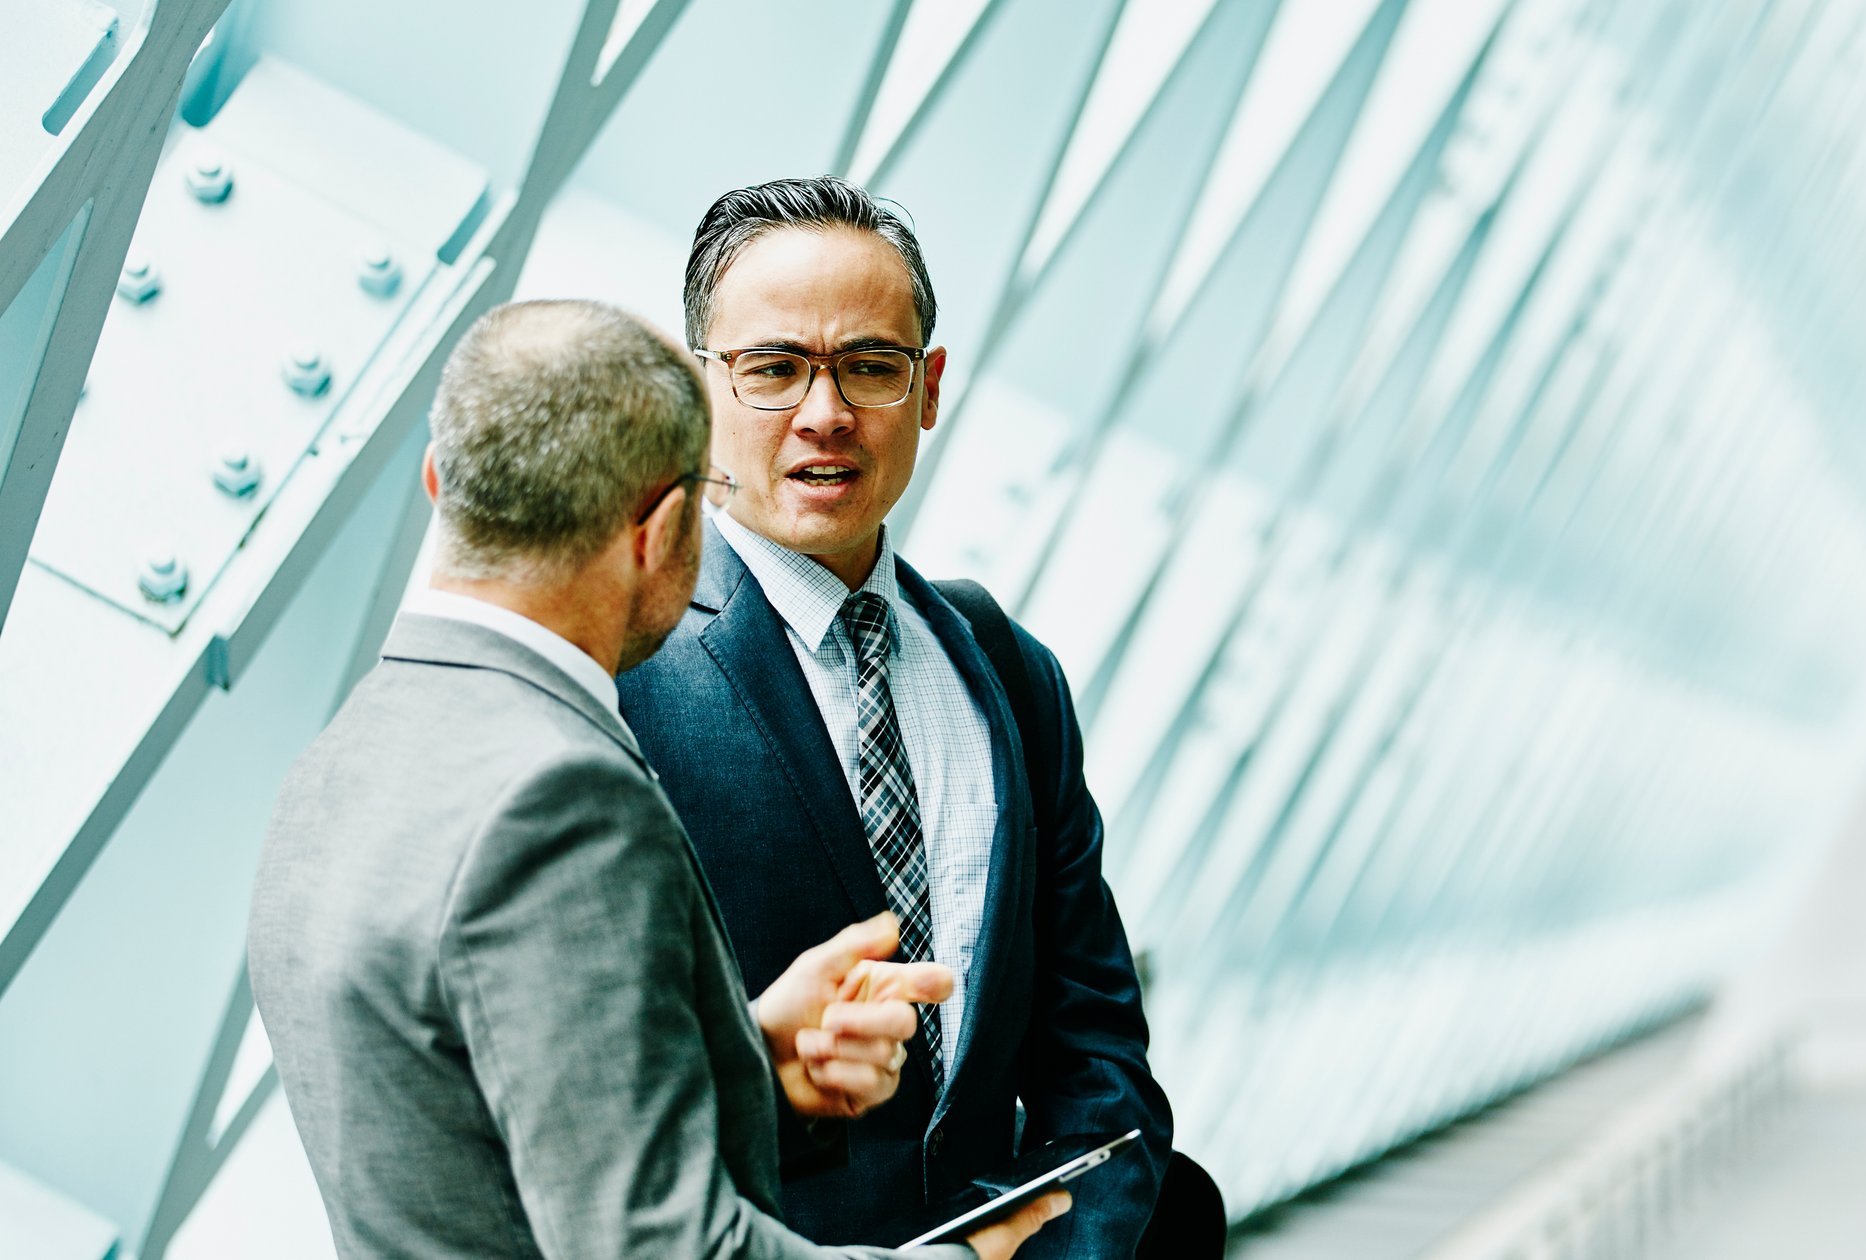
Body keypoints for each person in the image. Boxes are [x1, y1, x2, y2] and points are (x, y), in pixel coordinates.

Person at [246, 299, 1065, 1259]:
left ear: (440, 485)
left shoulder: (346, 753)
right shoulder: (560, 797)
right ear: (664, 528)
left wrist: (748, 1059)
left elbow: (492, 1110)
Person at [617, 177, 1177, 1256]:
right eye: (773, 369)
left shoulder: (1006, 672)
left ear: (925, 389)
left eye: (867, 367)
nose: (823, 414)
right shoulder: (622, 670)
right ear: (697, 390)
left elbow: (1095, 1055)